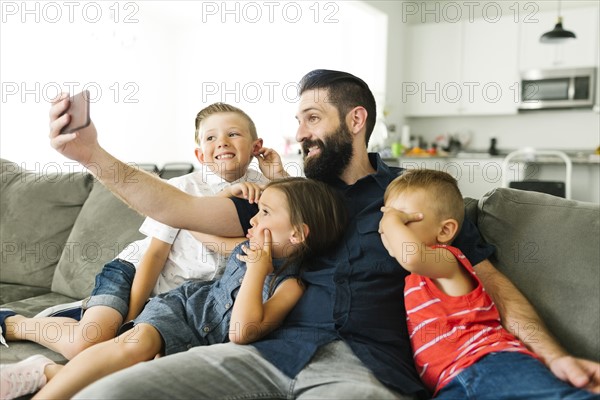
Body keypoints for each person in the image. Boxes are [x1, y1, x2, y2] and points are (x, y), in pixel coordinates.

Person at [40, 69, 598, 399]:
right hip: (266, 354)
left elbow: (494, 289)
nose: (298, 132)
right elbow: (178, 205)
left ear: (354, 121)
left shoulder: (419, 200)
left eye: (311, 118)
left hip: (364, 367)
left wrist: (552, 357)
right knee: (113, 392)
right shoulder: (292, 197)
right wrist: (90, 153)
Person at [0, 177, 347, 400]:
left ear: (298, 234)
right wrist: (219, 201)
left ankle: (46, 372)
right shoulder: (244, 245)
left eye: (265, 213)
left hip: (207, 345)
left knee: (131, 380)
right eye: (257, 210)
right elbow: (201, 231)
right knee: (128, 347)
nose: (253, 219)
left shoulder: (291, 287)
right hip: (183, 310)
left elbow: (242, 331)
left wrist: (258, 270)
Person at [0, 103, 283, 362]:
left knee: (135, 355)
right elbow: (155, 255)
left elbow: (274, 240)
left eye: (233, 134)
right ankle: (15, 323)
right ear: (199, 154)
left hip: (182, 300)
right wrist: (131, 318)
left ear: (256, 146)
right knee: (87, 344)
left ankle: (86, 316)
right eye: (210, 138)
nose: (221, 141)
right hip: (133, 274)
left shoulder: (269, 192)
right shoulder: (182, 189)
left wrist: (276, 175)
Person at [379, 169, 598, 399]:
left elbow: (410, 256)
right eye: (386, 217)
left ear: (445, 231)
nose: (386, 226)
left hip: (489, 362)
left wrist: (390, 218)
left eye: (403, 219)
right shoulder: (418, 278)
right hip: (452, 383)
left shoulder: (447, 260)